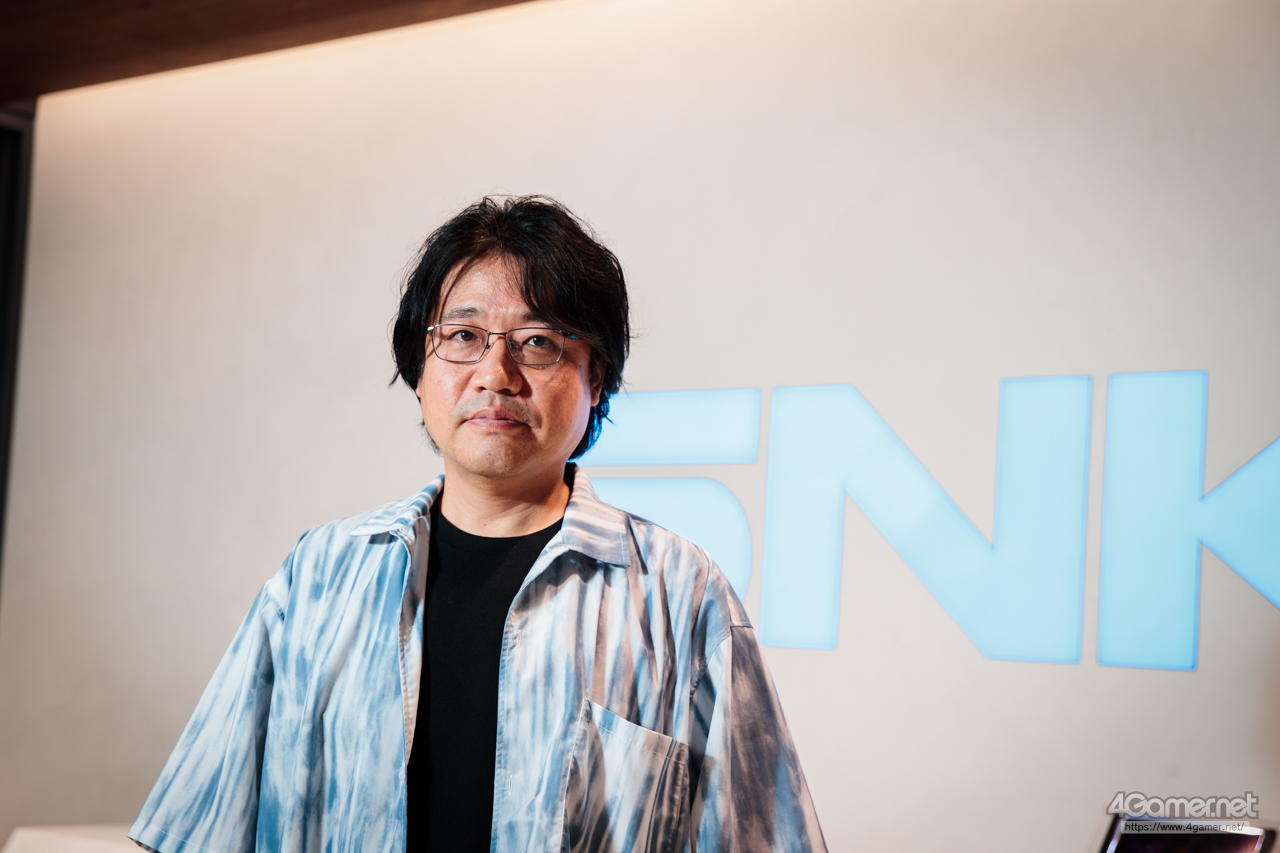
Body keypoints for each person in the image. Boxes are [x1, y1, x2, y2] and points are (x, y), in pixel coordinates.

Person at [128, 196, 827, 853]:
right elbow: (199, 829)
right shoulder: (318, 575)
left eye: (538, 341)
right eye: (463, 335)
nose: (496, 373)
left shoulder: (679, 593)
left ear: (597, 379)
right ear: (418, 368)